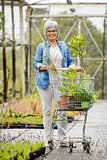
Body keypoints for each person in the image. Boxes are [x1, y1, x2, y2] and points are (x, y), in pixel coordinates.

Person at [34, 20, 81, 147]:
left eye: (53, 30)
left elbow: (70, 61)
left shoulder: (63, 46)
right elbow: (35, 63)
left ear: (57, 32)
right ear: (45, 33)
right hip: (44, 82)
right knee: (48, 111)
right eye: (48, 31)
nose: (51, 33)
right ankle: (48, 138)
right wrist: (42, 66)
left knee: (62, 110)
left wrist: (72, 66)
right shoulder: (41, 47)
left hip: (61, 81)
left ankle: (63, 138)